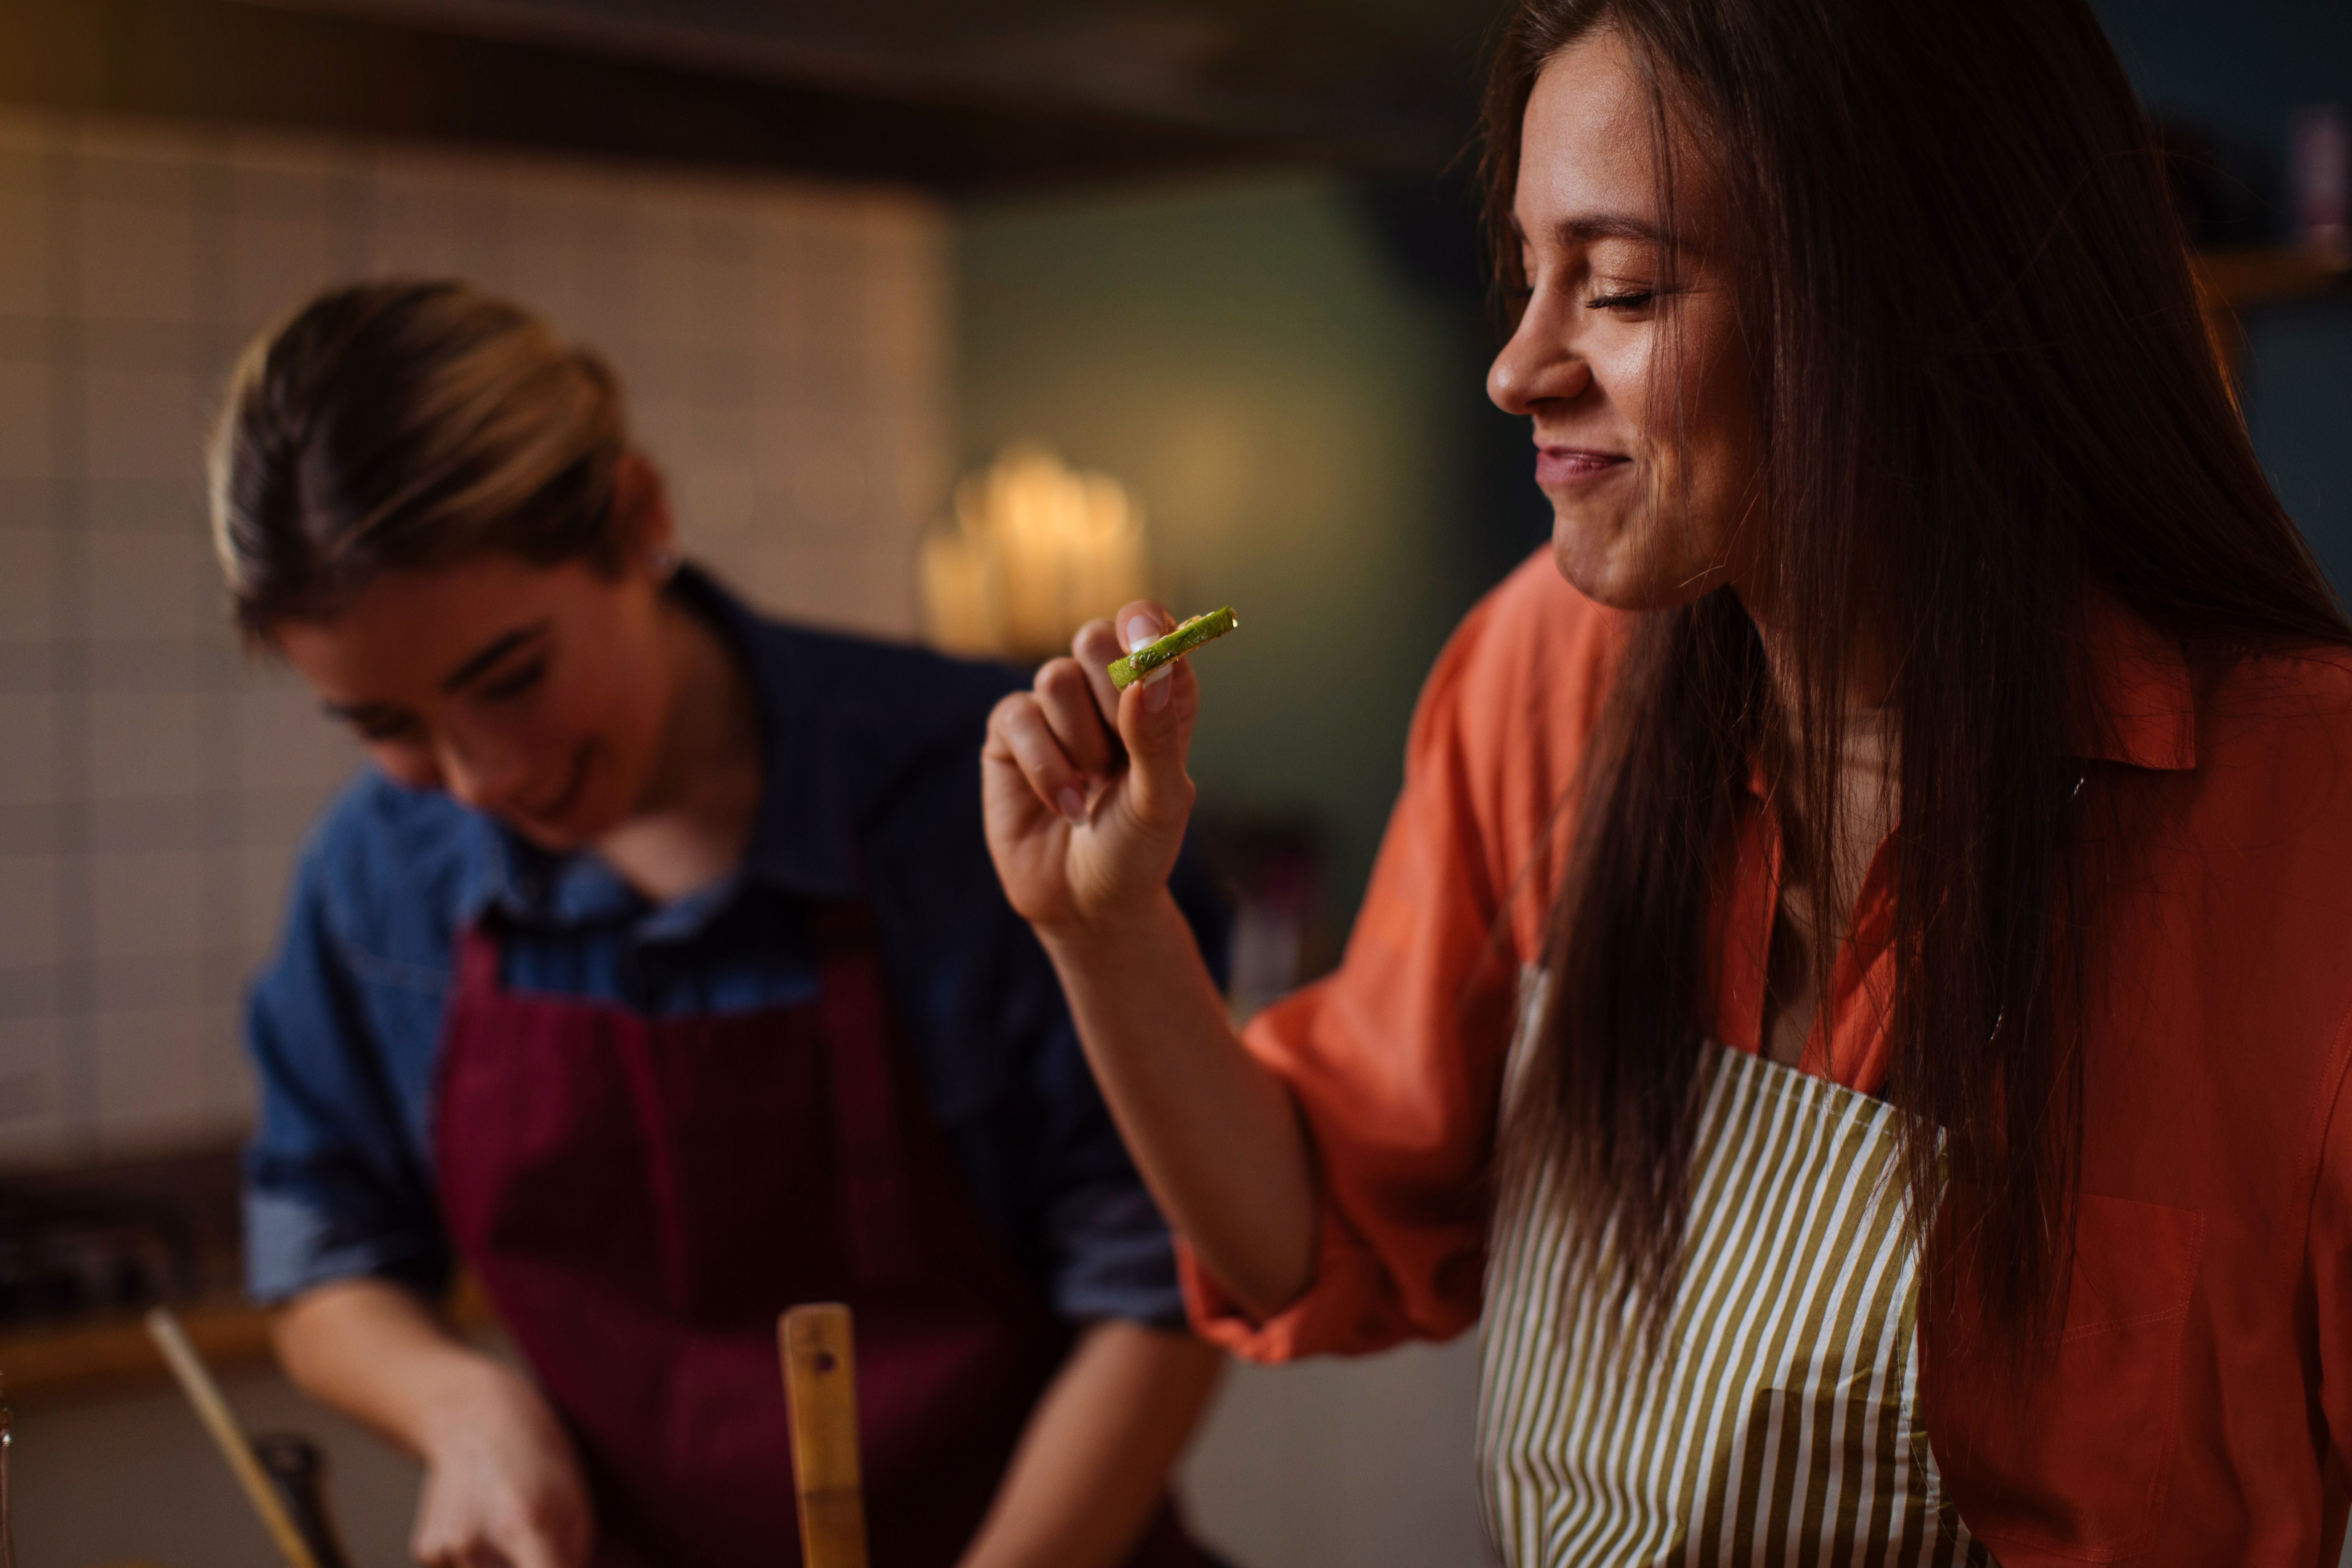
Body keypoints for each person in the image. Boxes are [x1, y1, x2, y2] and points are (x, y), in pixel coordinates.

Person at [981, 0, 2352, 1561]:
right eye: (1529, 277)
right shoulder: (1542, 679)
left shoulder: (2311, 815)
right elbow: (1312, 1227)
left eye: (1621, 288)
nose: (1515, 368)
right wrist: (1105, 931)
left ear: (1906, 295)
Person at [212, 279, 1231, 1568]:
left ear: (638, 519)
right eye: (386, 726)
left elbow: (1167, 1280)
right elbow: (322, 1249)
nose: (478, 781)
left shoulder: (984, 796)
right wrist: (462, 1408)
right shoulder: (379, 874)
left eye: (512, 678)